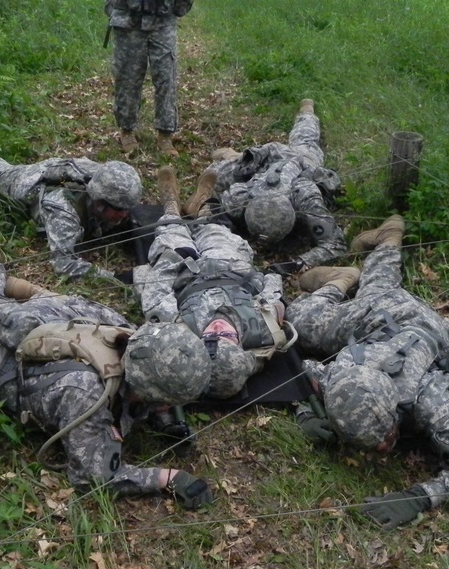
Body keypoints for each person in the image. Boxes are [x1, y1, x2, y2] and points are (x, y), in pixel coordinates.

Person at [285, 215, 449, 530]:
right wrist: (306, 413)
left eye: (384, 440)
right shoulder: (343, 376)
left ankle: (359, 264)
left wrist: (420, 496)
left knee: (369, 292)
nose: (383, 449)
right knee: (304, 317)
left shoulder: (429, 401)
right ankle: (367, 256)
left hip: (422, 326)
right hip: (374, 319)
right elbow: (303, 371)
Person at [0, 254, 212, 508]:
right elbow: (94, 477)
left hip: (46, 316)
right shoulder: (86, 392)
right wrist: (168, 478)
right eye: (166, 403)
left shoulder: (134, 339)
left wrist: (168, 423)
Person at [125, 167, 296, 403]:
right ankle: (202, 204)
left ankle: (171, 203)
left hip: (184, 272)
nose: (216, 328)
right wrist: (263, 278)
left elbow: (157, 289)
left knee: (170, 232)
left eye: (210, 337)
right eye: (224, 335)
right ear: (240, 345)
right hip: (232, 268)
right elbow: (273, 289)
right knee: (215, 229)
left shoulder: (182, 330)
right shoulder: (263, 328)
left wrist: (172, 260)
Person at [183, 99, 346, 275]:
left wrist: (298, 263)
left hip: (301, 161)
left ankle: (307, 112)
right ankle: (232, 155)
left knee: (306, 138)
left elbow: (335, 244)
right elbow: (213, 210)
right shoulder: (239, 197)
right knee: (218, 174)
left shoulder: (306, 196)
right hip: (267, 161)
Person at [0, 129, 142, 280]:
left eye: (127, 209)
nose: (125, 215)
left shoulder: (108, 180)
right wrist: (116, 277)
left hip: (59, 173)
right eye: (118, 210)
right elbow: (64, 265)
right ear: (99, 203)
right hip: (24, 183)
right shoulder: (63, 211)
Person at [105, 0, 193, 157]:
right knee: (128, 77)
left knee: (166, 77)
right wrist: (113, 8)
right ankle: (126, 130)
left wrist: (181, 5)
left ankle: (165, 134)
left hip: (162, 19)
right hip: (128, 19)